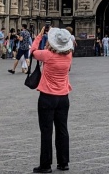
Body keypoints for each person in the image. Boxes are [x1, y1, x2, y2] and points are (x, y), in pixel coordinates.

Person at [31, 25, 74, 173]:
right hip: (63, 98)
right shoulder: (69, 55)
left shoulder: (47, 55)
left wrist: (40, 35)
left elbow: (33, 51)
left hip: (47, 97)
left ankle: (45, 165)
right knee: (62, 129)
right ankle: (63, 162)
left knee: (46, 131)